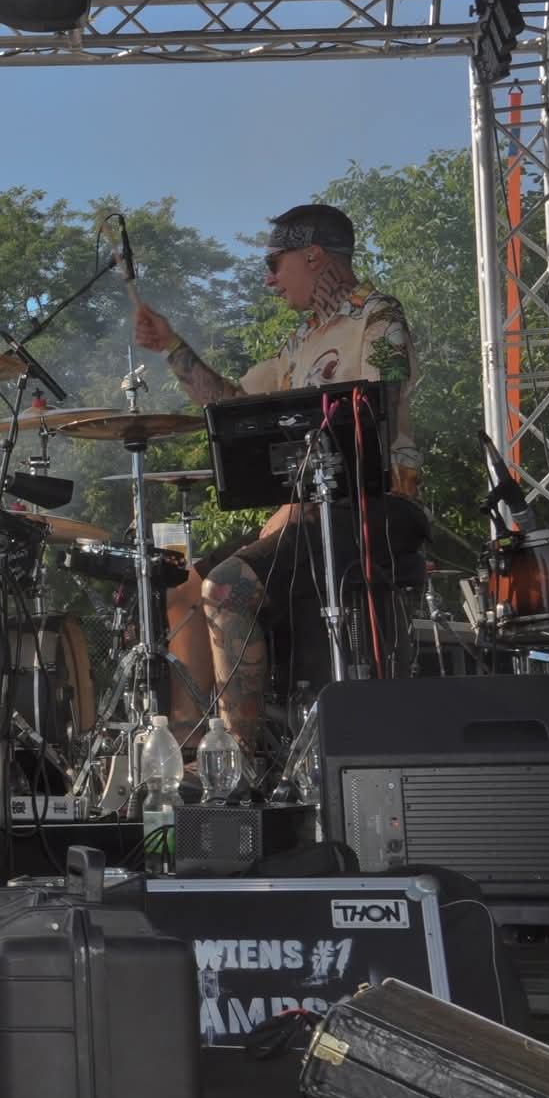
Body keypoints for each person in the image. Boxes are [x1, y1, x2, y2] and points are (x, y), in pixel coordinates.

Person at [132, 203, 425, 758]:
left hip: (376, 506)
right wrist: (172, 346)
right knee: (181, 586)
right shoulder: (298, 343)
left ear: (312, 256)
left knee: (227, 588)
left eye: (274, 263)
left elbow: (376, 418)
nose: (269, 279)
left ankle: (239, 761)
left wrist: (302, 499)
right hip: (310, 512)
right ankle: (192, 750)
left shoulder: (378, 317)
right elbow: (231, 405)